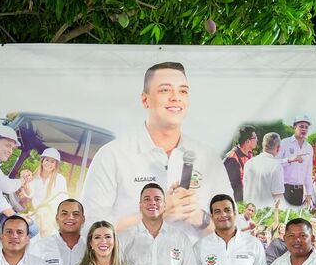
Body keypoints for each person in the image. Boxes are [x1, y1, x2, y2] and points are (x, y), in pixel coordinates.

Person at [80, 62, 235, 241]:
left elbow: (232, 232)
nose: (176, 97)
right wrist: (156, 213)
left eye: (183, 91)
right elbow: (88, 230)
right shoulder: (113, 155)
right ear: (145, 100)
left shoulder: (208, 158)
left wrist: (201, 219)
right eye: (165, 90)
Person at [278, 115, 315, 207]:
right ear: (294, 127)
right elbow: (274, 164)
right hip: (284, 188)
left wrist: (309, 193)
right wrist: (290, 160)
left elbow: (308, 173)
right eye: (301, 126)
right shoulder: (284, 143)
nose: (304, 129)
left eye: (306, 127)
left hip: (300, 191)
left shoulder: (309, 148)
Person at [243, 132, 285, 209]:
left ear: (263, 145)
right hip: (266, 215)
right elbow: (278, 198)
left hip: (248, 210)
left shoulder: (249, 163)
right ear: (278, 148)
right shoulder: (276, 166)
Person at [223, 125, 258, 202]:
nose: (257, 140)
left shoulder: (249, 154)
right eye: (255, 138)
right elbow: (230, 188)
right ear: (247, 141)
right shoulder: (232, 159)